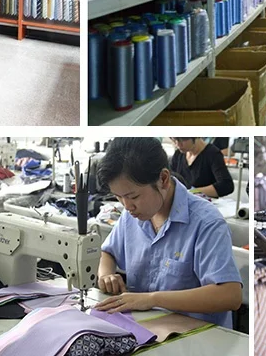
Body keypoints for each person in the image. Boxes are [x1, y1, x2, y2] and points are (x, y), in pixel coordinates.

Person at [95, 138, 242, 326]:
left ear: (163, 179)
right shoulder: (130, 216)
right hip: (146, 327)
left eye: (133, 196)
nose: (127, 206)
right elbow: (108, 252)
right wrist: (106, 275)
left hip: (197, 335)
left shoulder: (206, 222)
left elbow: (230, 295)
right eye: (119, 197)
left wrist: (152, 299)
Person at [169, 138, 234, 198]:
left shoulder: (212, 154)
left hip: (203, 203)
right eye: (174, 140)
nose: (177, 145)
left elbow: (226, 185)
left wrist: (192, 192)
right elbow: (171, 179)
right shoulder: (178, 154)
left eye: (181, 140)